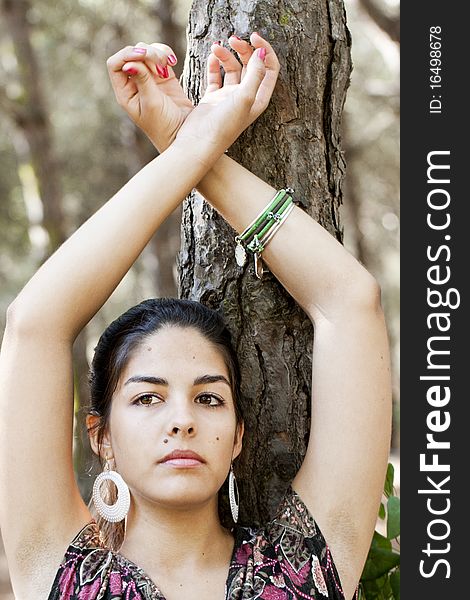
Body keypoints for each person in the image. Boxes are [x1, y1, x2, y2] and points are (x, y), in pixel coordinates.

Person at [0, 32, 392, 600]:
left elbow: (352, 303)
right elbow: (33, 324)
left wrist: (192, 147)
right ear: (101, 434)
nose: (181, 420)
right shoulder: (61, 578)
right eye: (147, 397)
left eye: (209, 397)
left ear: (237, 436)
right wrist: (191, 148)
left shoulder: (301, 577)